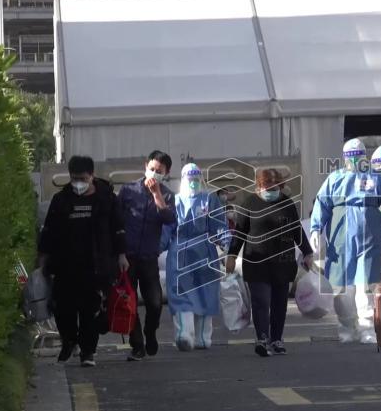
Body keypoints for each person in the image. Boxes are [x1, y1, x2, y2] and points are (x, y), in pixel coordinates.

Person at [310, 138, 381, 344]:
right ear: (344, 158)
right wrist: (315, 229)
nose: (354, 161)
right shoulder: (335, 179)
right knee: (341, 288)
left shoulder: (376, 179)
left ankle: (367, 328)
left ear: (364, 157)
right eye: (350, 157)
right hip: (341, 239)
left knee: (366, 285)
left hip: (371, 237)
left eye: (357, 157)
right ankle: (346, 327)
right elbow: (321, 204)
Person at [39, 156, 128, 367]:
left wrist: (122, 255)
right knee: (64, 309)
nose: (78, 183)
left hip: (96, 265)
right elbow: (49, 231)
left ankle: (88, 351)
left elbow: (118, 229)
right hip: (66, 265)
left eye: (82, 178)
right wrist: (42, 258)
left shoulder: (106, 199)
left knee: (91, 310)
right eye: (74, 178)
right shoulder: (61, 200)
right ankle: (69, 341)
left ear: (92, 176)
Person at [227, 169, 314, 356]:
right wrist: (232, 255)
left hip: (283, 263)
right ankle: (262, 338)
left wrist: (307, 253)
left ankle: (276, 339)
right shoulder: (249, 204)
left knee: (279, 304)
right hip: (256, 263)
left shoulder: (287, 204)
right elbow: (239, 233)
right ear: (259, 186)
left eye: (275, 188)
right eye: (268, 188)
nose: (272, 191)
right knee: (261, 301)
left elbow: (297, 231)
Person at [118, 150, 176, 361]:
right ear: (145, 166)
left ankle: (150, 331)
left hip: (149, 257)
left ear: (166, 173)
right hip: (127, 257)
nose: (154, 173)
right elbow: (117, 222)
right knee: (129, 303)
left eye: (159, 171)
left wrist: (156, 194)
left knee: (154, 302)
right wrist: (119, 253)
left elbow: (169, 219)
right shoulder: (128, 190)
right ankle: (137, 345)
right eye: (152, 169)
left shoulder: (167, 195)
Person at [166, 163, 229, 351]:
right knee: (181, 293)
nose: (192, 182)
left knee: (205, 293)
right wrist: (156, 246)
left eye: (195, 179)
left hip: (204, 250)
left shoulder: (209, 199)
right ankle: (184, 335)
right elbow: (166, 227)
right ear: (183, 179)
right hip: (180, 251)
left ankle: (202, 337)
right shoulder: (175, 201)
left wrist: (226, 243)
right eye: (189, 179)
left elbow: (219, 224)